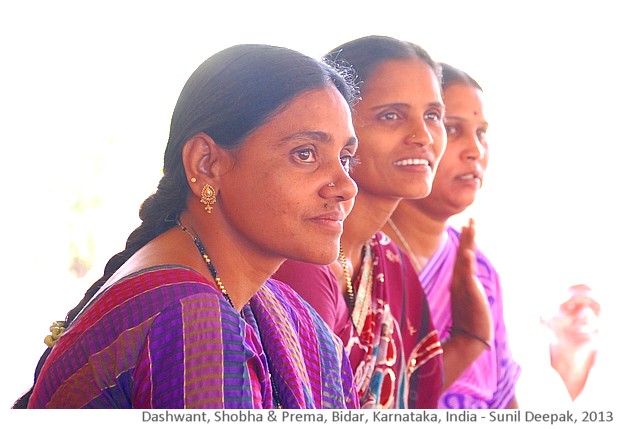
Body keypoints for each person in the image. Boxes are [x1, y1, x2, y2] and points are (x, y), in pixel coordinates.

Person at [14, 44, 361, 409]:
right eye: (304, 154)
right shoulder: (192, 318)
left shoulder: (271, 308)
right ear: (206, 163)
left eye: (345, 158)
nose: (345, 186)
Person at [275, 35, 476, 409]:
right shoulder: (300, 261)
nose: (423, 137)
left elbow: (415, 400)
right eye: (391, 116)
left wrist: (472, 337)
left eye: (433, 116)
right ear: (337, 124)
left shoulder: (391, 265)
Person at [383, 63, 520, 408]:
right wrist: (467, 340)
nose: (475, 150)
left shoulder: (482, 273)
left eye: (482, 133)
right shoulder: (358, 258)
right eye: (452, 128)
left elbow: (506, 404)